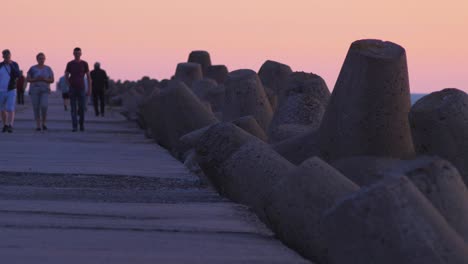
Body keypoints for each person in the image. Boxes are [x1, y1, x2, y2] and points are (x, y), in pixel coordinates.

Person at [65, 47, 91, 132]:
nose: (77, 54)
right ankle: (74, 126)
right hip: (72, 88)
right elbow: (66, 75)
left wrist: (89, 89)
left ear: (81, 54)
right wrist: (69, 85)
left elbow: (88, 77)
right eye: (75, 53)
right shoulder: (70, 64)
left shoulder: (84, 63)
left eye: (78, 53)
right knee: (73, 108)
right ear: (73, 54)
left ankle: (81, 124)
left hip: (81, 88)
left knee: (82, 108)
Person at [27, 52, 54, 131]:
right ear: (37, 59)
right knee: (36, 107)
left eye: (43, 58)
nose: (41, 60)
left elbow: (52, 80)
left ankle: (44, 123)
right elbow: (28, 79)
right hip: (34, 90)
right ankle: (38, 125)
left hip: (45, 90)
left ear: (45, 59)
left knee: (44, 106)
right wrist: (36, 79)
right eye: (40, 58)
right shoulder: (32, 68)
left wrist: (45, 79)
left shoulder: (48, 68)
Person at [0, 49, 20, 133]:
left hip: (11, 89)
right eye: (6, 56)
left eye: (9, 56)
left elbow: (17, 74)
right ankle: (5, 124)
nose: (7, 58)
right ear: (3, 56)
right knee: (2, 108)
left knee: (10, 108)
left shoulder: (14, 64)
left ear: (10, 56)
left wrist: (11, 65)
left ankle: (10, 125)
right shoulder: (0, 65)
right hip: (1, 90)